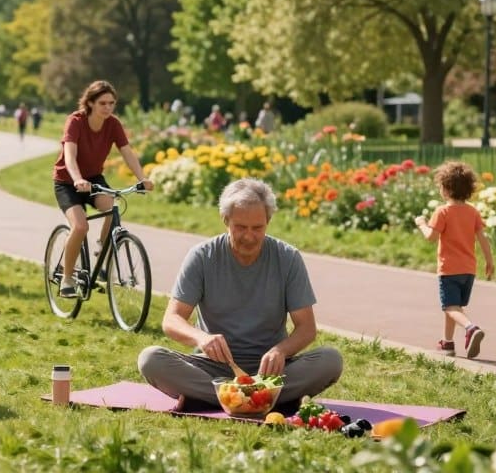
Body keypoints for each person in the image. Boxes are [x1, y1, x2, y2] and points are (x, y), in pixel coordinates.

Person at [137, 178, 342, 415]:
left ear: (268, 222)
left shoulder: (288, 258)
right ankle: (261, 399)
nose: (249, 236)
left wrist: (281, 351)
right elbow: (171, 320)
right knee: (150, 359)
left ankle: (227, 399)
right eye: (240, 227)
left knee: (331, 360)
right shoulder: (202, 256)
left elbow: (306, 328)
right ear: (225, 221)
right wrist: (201, 338)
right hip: (213, 370)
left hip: (272, 372)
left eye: (257, 228)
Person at [52, 80, 154, 298]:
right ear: (90, 103)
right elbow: (69, 155)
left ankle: (101, 248)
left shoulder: (113, 124)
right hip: (68, 181)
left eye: (111, 103)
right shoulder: (76, 121)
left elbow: (127, 152)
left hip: (94, 179)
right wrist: (77, 178)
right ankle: (67, 278)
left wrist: (142, 178)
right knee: (80, 227)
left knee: (112, 207)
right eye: (102, 103)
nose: (108, 108)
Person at [414, 161, 494, 359]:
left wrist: (421, 223)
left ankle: (471, 327)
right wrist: (489, 261)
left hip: (449, 269)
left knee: (450, 307)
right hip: (469, 270)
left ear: (447, 188)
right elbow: (483, 238)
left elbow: (430, 237)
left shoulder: (443, 212)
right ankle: (447, 343)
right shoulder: (472, 212)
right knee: (454, 307)